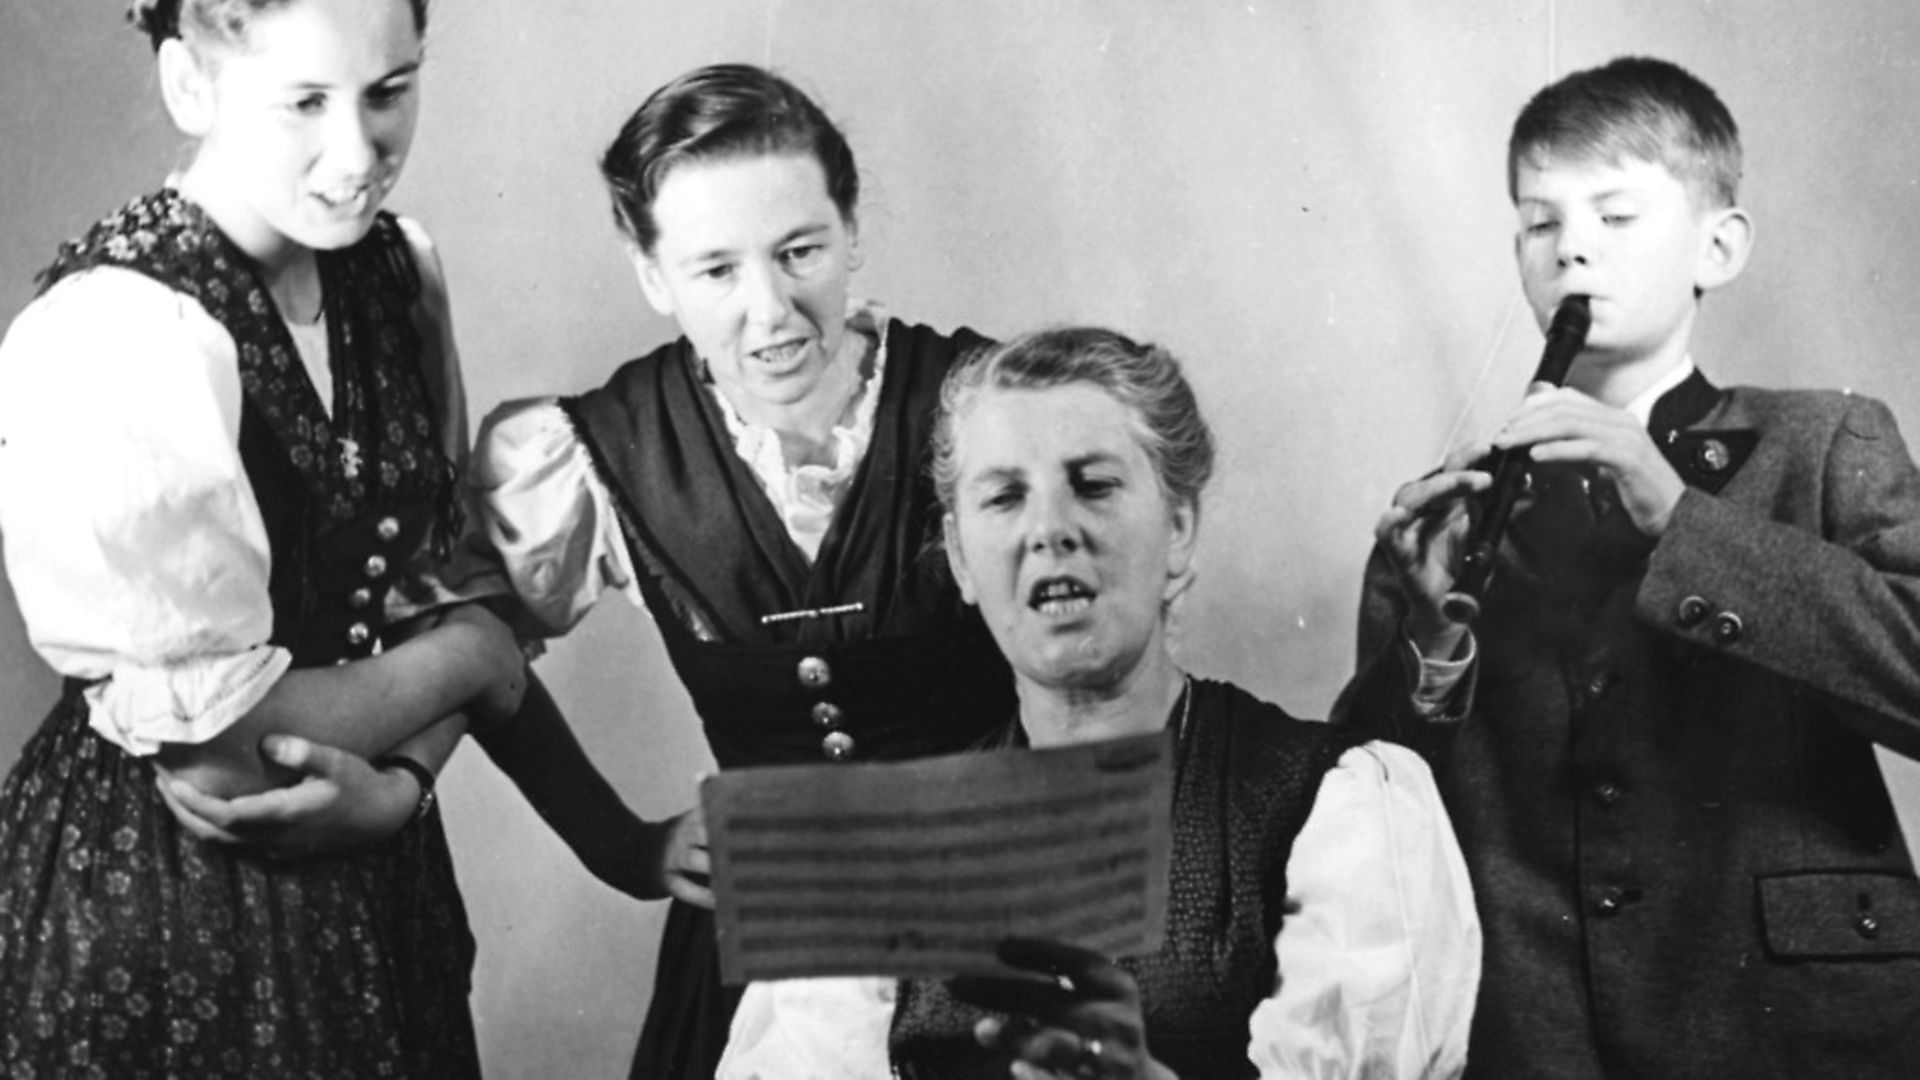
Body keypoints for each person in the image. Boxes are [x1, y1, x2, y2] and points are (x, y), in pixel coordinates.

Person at [1337, 55, 1920, 1078]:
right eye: (1539, 223)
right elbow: (1372, 823)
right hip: (1532, 1035)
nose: (1572, 255)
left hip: (1797, 1030)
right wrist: (1428, 648)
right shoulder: (1450, 514)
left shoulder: (1823, 442)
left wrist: (1681, 522)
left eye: (1615, 218)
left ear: (1719, 246)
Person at [718, 326, 1481, 1080]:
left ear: (1178, 530)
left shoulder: (1336, 806)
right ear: (959, 560)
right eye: (1005, 496)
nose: (1050, 529)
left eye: (1094, 484)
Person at [0, 0, 530, 1074]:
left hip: (379, 866)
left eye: (390, 91)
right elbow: (226, 750)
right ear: (192, 85)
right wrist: (478, 659)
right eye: (304, 102)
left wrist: (404, 785)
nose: (356, 153)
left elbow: (428, 589)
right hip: (167, 894)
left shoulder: (395, 273)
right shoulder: (120, 332)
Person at [462, 62, 1017, 1078]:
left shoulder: (984, 404)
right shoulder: (600, 452)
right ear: (653, 277)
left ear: (852, 232)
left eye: (799, 251)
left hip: (999, 925)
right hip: (756, 958)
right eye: (716, 270)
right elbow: (468, 656)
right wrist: (622, 847)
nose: (770, 311)